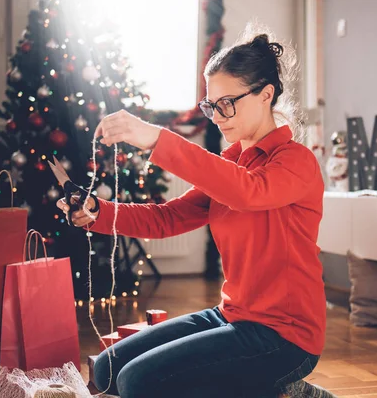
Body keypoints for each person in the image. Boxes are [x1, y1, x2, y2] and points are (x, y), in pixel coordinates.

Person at [58, 27, 333, 398]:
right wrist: (98, 212)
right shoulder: (230, 162)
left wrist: (156, 138)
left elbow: (247, 193)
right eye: (211, 105)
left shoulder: (296, 162)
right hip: (233, 316)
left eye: (227, 103)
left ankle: (281, 387)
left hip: (285, 335)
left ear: (266, 94)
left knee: (138, 382)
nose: (217, 116)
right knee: (109, 369)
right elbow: (168, 218)